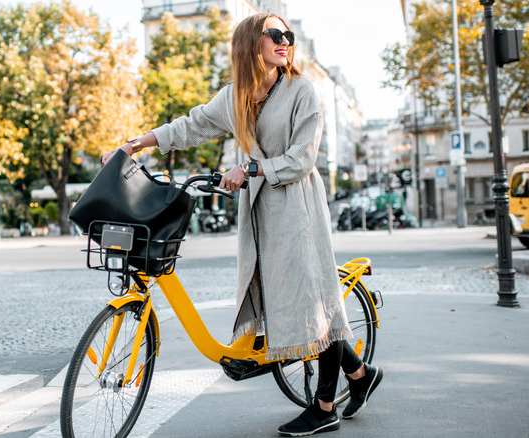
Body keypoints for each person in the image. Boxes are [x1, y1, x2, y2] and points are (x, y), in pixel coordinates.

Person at [102, 13, 382, 437]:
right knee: (288, 299)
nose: (284, 41)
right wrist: (139, 143)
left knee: (312, 302)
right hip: (260, 212)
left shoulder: (301, 90)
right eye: (275, 34)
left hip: (298, 206)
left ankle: (325, 408)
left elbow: (304, 157)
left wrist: (252, 169)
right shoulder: (235, 96)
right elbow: (191, 125)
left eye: (287, 35)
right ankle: (360, 375)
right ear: (252, 44)